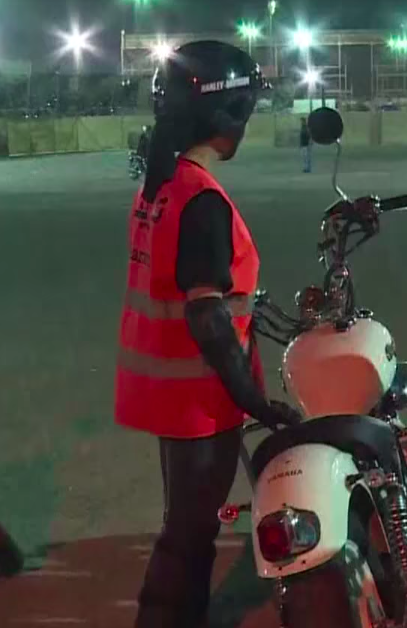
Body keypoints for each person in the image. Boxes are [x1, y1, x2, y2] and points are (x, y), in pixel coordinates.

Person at [114, 40, 302, 628]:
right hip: (199, 397)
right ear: (232, 115)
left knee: (187, 530)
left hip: (167, 387)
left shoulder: (161, 186)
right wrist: (256, 402)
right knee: (187, 536)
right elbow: (207, 316)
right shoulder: (201, 199)